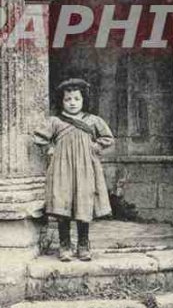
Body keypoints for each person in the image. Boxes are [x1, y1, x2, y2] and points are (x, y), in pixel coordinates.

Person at [34, 78, 114, 262]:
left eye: (76, 99)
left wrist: (96, 146)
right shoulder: (55, 121)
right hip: (62, 168)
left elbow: (107, 138)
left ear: (83, 100)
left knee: (83, 202)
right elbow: (39, 137)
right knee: (63, 204)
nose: (72, 103)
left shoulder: (93, 121)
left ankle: (83, 246)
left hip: (86, 168)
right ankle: (65, 246)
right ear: (61, 101)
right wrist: (50, 149)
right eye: (68, 99)